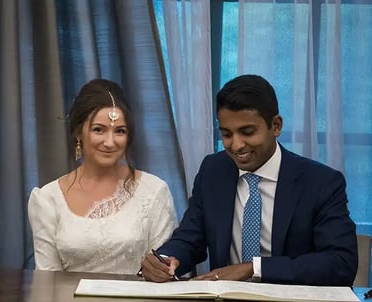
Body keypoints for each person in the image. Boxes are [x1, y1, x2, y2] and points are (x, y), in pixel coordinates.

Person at [141, 74, 358, 286]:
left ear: (275, 126)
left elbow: (340, 263)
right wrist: (166, 259)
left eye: (247, 132)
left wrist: (253, 269)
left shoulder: (320, 182)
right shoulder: (213, 171)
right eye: (226, 134)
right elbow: (190, 239)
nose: (236, 145)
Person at [28, 78, 177, 274]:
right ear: (79, 133)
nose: (110, 142)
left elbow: (164, 270)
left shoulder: (154, 191)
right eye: (99, 130)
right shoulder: (48, 199)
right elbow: (47, 280)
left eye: (120, 131)